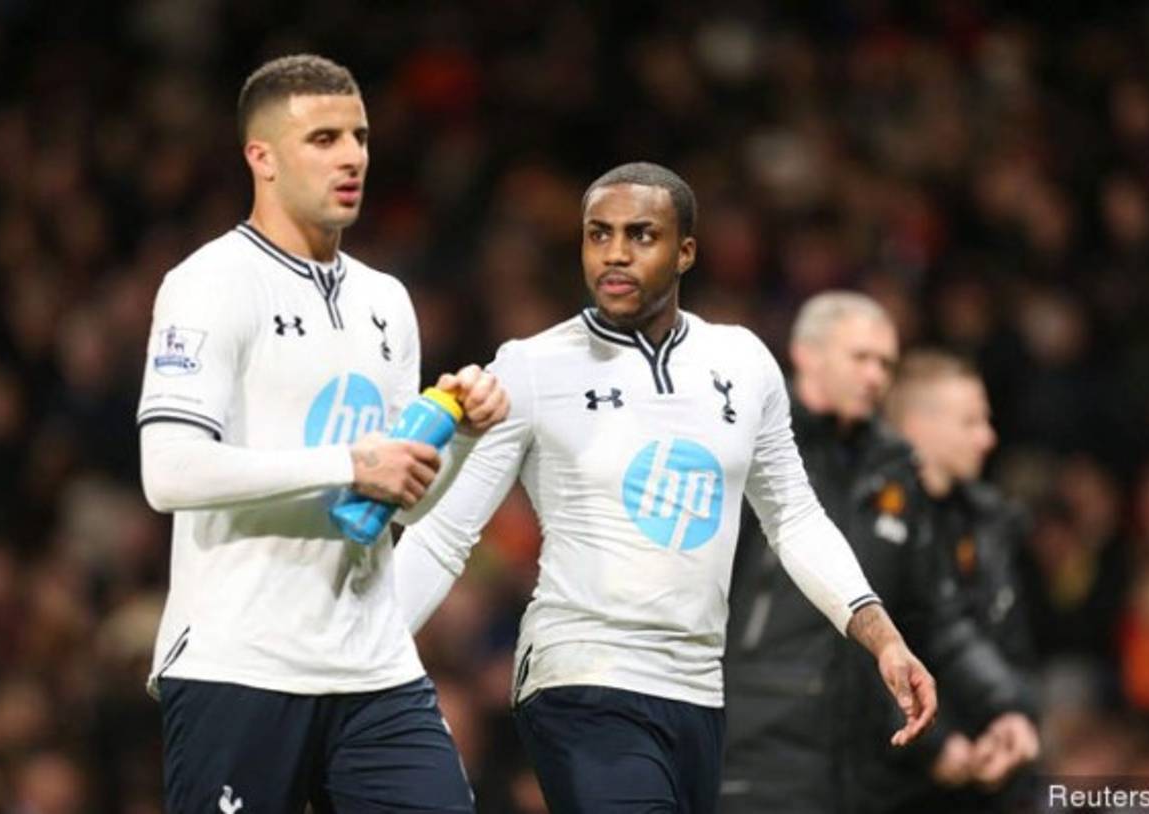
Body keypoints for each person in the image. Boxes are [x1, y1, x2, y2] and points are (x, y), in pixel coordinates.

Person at [393, 162, 936, 814]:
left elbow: (792, 516)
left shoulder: (741, 362)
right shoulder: (533, 366)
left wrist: (883, 637)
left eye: (641, 235)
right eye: (599, 234)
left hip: (698, 692)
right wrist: (359, 656)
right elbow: (445, 534)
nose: (615, 254)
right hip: (581, 678)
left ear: (685, 251)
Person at [136, 54, 508, 813]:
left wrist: (460, 436)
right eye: (325, 138)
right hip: (241, 665)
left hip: (374, 669)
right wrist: (348, 462)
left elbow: (400, 503)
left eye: (361, 137)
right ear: (261, 157)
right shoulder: (209, 283)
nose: (352, 157)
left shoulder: (386, 300)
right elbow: (168, 472)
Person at [721, 292, 1036, 814]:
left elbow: (936, 615)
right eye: (861, 358)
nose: (876, 376)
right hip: (757, 744)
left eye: (886, 363)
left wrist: (1006, 706)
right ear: (806, 354)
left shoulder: (895, 470)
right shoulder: (751, 450)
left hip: (856, 762)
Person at [884, 349, 1040, 811]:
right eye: (970, 422)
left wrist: (1012, 714)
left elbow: (1008, 646)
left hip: (987, 765)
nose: (988, 438)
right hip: (898, 775)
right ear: (917, 426)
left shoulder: (991, 522)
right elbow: (853, 666)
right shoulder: (872, 523)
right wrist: (938, 743)